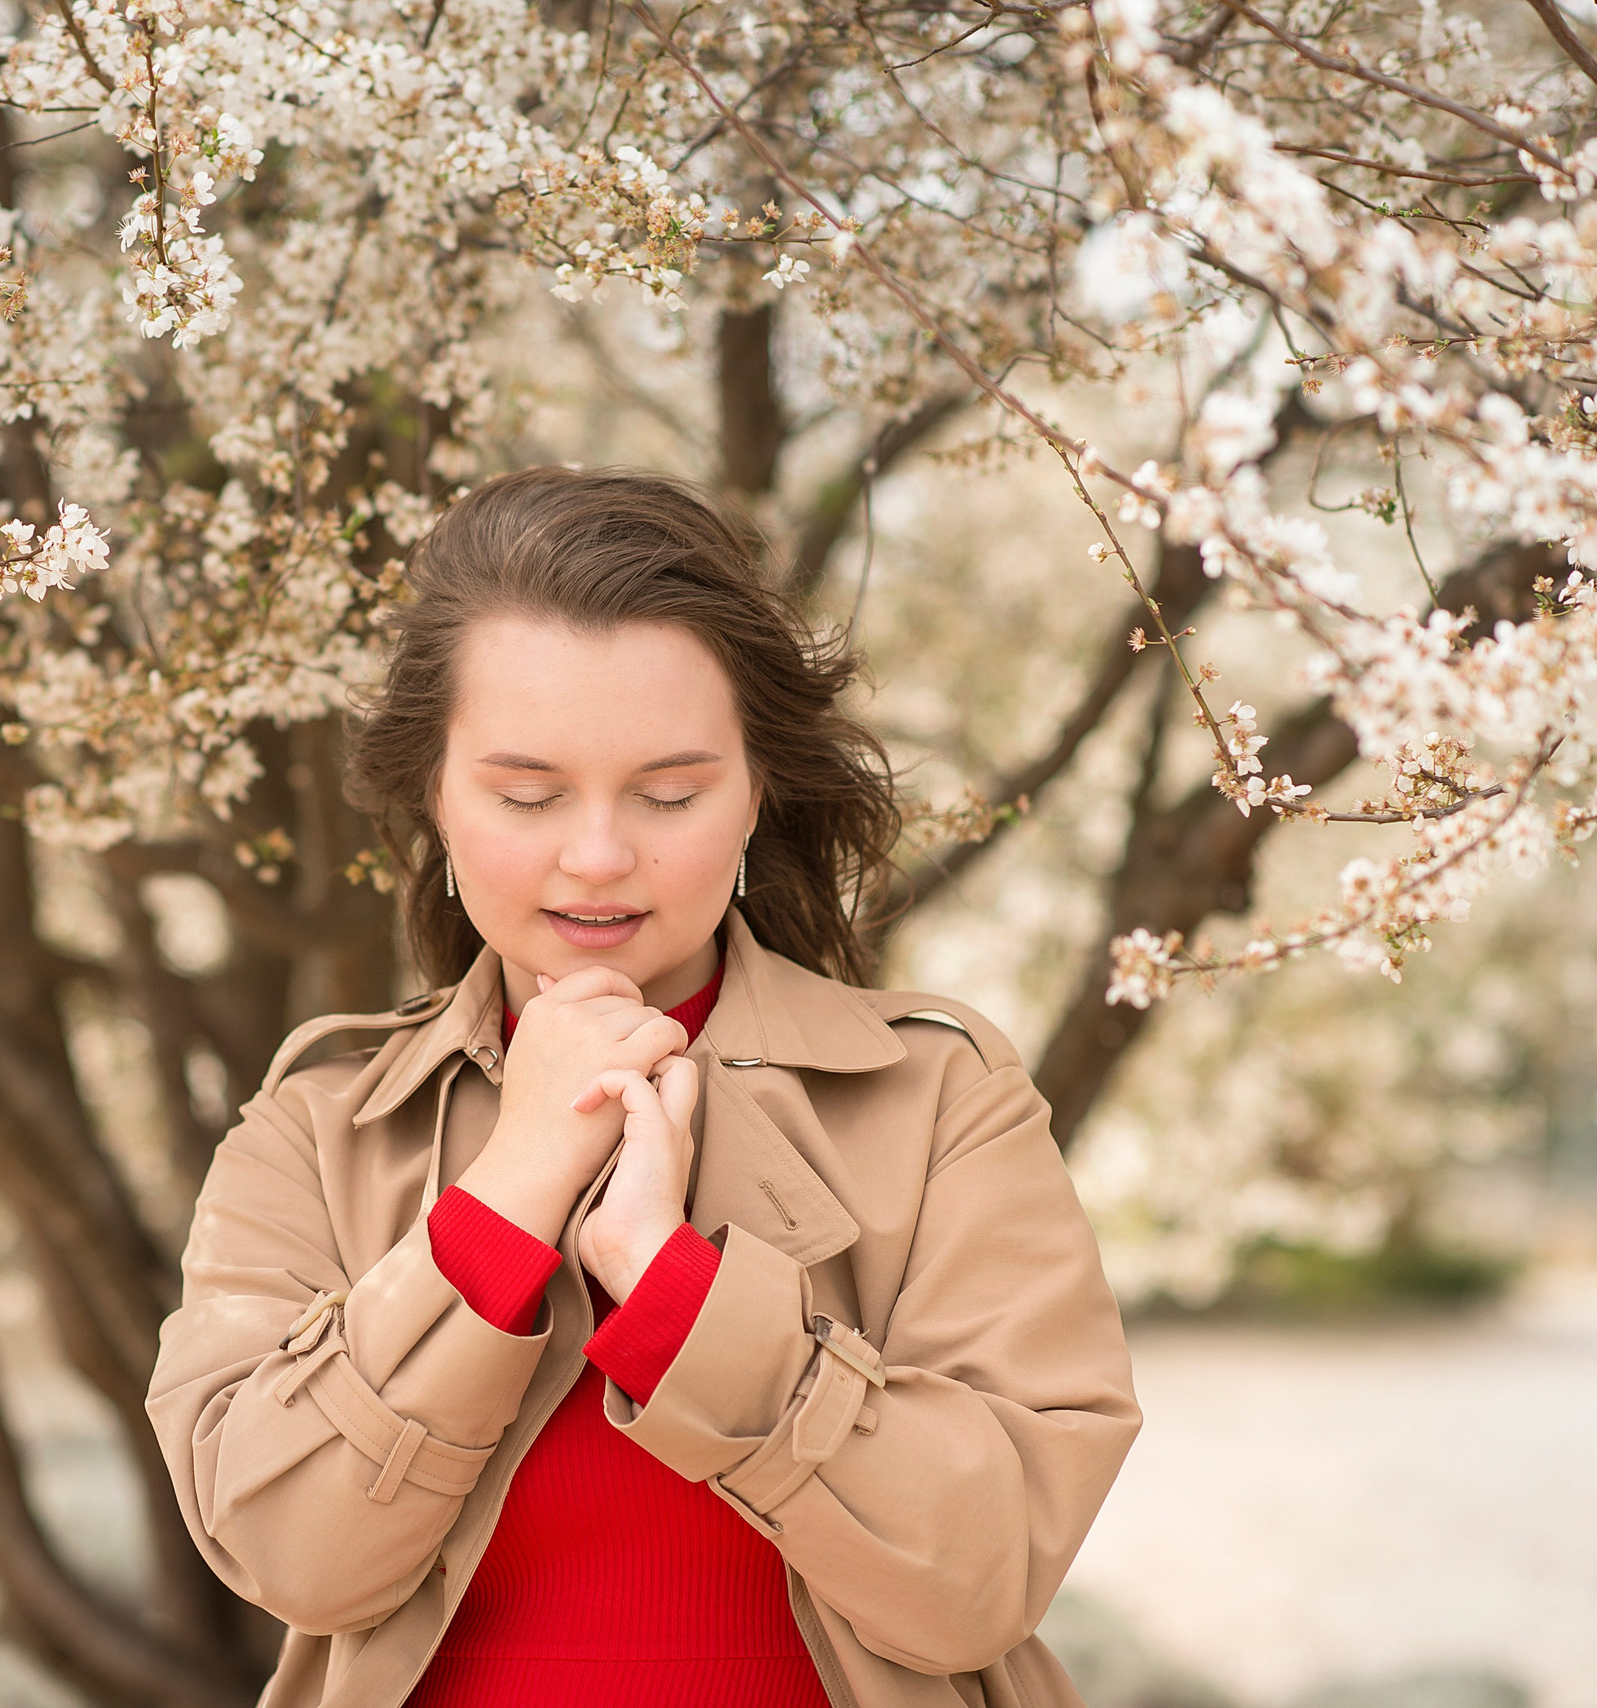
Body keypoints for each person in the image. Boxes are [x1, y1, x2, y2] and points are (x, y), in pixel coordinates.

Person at [146, 467, 1142, 1708]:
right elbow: (294, 1555)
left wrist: (679, 1294)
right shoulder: (319, 1124)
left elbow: (979, 1578)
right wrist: (509, 1192)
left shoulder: (940, 1098)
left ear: (753, 792)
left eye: (669, 793)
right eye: (527, 793)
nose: (600, 856)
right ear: (436, 799)